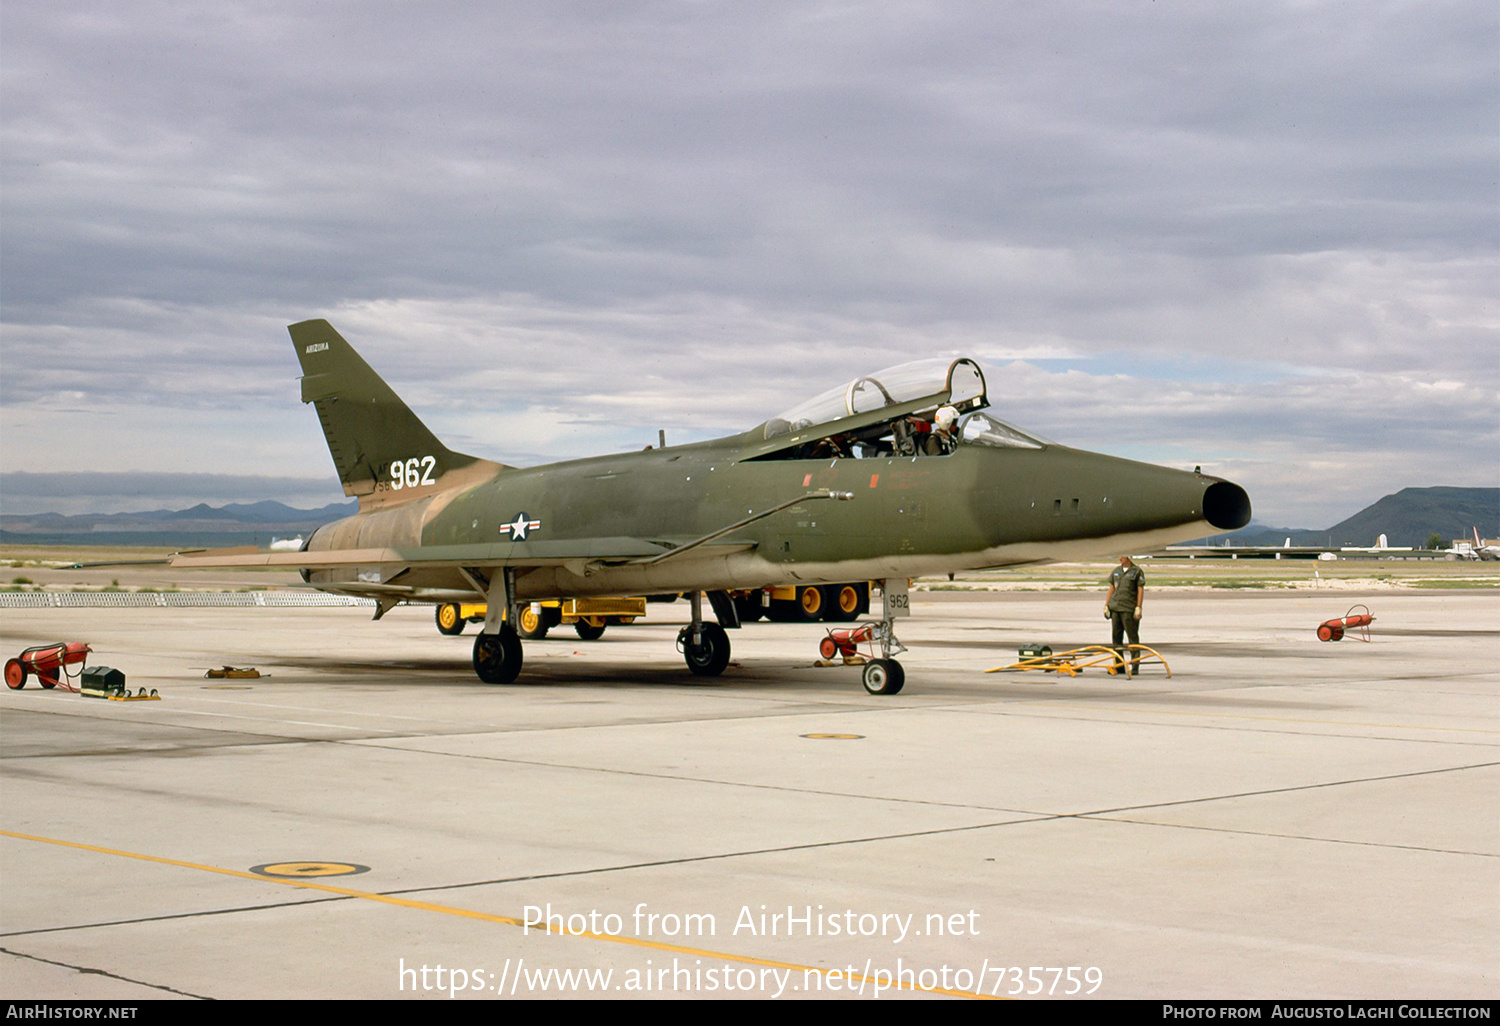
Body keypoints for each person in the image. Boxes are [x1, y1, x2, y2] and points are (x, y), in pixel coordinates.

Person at [1104, 555, 1145, 675]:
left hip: (1128, 609)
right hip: (1115, 608)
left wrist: (1138, 607)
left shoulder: (1136, 571)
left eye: (1121, 556)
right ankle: (1119, 665)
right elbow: (1111, 587)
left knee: (1132, 639)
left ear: (1128, 557)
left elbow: (1140, 589)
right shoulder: (1116, 571)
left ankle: (1135, 666)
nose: (1119, 559)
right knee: (1116, 639)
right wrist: (1106, 604)